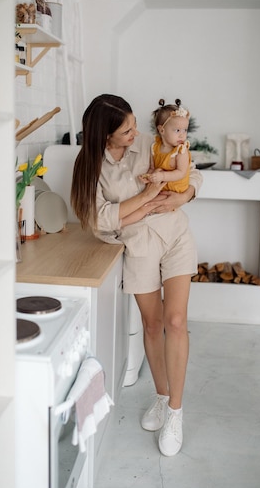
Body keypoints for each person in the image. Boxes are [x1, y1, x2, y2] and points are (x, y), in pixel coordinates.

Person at [71, 94, 202, 456]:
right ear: (105, 135)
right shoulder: (89, 165)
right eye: (126, 130)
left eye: (133, 126)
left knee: (176, 321)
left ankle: (175, 411)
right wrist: (146, 197)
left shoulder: (150, 143)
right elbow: (99, 219)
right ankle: (161, 397)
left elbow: (191, 172)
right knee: (151, 325)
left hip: (175, 234)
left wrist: (184, 194)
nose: (134, 133)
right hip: (138, 246)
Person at [141, 98, 191, 194]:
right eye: (177, 130)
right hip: (160, 189)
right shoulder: (155, 148)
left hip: (175, 191)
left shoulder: (181, 151)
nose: (182, 135)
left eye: (185, 130)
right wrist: (149, 177)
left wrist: (162, 176)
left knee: (150, 205)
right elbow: (152, 168)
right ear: (162, 130)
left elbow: (181, 173)